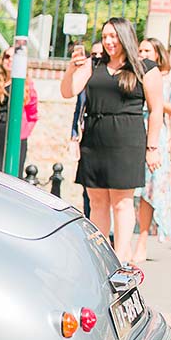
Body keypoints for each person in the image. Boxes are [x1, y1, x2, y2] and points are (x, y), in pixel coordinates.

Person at [61, 17, 164, 264]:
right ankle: (101, 258)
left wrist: (152, 147)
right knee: (97, 202)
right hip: (95, 137)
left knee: (122, 202)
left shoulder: (145, 67)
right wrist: (72, 68)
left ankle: (120, 258)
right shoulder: (94, 64)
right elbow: (68, 91)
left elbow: (157, 109)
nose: (108, 41)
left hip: (127, 139)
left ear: (125, 37)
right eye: (105, 36)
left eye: (113, 36)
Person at [132, 37, 171, 263]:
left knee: (149, 189)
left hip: (156, 135)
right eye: (140, 50)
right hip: (133, 130)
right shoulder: (133, 73)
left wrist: (155, 99)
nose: (142, 54)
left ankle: (141, 242)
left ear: (157, 54)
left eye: (147, 50)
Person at [0, 46, 39, 174]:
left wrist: (22, 134)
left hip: (13, 135)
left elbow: (33, 114)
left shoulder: (25, 85)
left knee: (8, 176)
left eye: (14, 58)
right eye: (7, 56)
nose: (10, 60)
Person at [70, 41, 103, 218]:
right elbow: (79, 107)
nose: (97, 58)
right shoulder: (86, 77)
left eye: (101, 55)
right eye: (94, 55)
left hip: (106, 136)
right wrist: (73, 136)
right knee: (88, 187)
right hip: (87, 136)